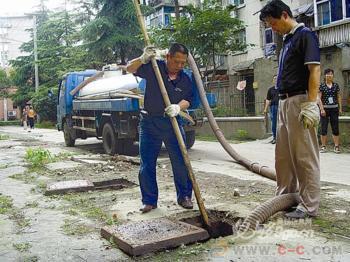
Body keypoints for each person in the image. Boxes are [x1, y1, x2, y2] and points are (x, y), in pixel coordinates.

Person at [260, 0, 321, 219]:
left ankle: (309, 206)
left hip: (299, 101)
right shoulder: (287, 40)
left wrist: (311, 104)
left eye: (273, 23)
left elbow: (314, 70)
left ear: (285, 15)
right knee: (283, 157)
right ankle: (285, 198)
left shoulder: (305, 35)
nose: (272, 28)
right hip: (284, 102)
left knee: (304, 157)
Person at [126, 43, 193, 213]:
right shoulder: (155, 67)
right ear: (168, 57)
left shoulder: (185, 78)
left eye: (183, 63)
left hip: (172, 123)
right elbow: (130, 69)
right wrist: (142, 59)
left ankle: (184, 196)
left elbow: (189, 99)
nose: (179, 66)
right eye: (176, 61)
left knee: (181, 161)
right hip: (149, 123)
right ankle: (149, 201)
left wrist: (178, 107)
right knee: (147, 163)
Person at [318, 68, 342, 154]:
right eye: (328, 74)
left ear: (333, 75)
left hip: (334, 109)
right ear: (325, 75)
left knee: (335, 127)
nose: (329, 75)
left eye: (331, 74)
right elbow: (319, 98)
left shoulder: (336, 85)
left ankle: (336, 146)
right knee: (323, 128)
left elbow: (338, 97)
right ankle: (323, 146)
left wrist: (340, 108)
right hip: (324, 109)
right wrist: (321, 109)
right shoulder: (322, 86)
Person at [263, 75, 279, 144]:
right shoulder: (270, 89)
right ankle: (275, 137)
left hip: (281, 106)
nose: (275, 80)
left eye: (277, 78)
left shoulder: (281, 88)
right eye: (274, 79)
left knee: (282, 122)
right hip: (273, 107)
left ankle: (282, 138)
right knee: (274, 123)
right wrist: (265, 109)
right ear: (273, 81)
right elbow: (267, 100)